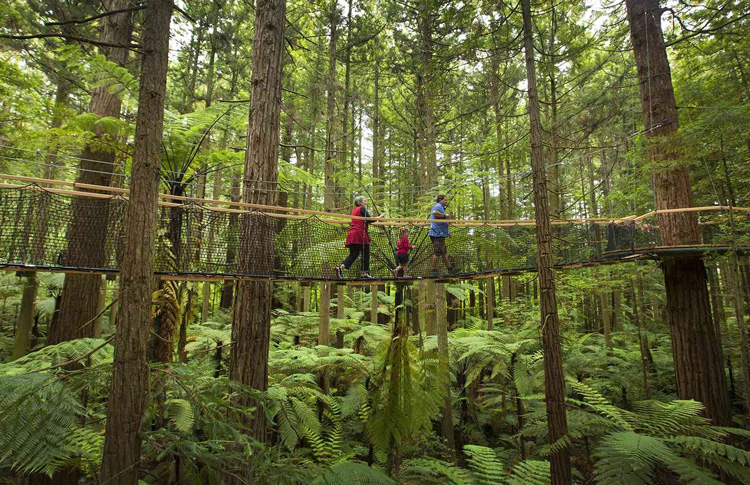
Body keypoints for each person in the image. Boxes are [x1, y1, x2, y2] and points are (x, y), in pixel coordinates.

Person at [337, 195, 385, 279]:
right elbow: (371, 220)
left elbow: (367, 220)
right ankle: (364, 273)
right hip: (360, 234)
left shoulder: (354, 210)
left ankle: (341, 268)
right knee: (365, 253)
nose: (365, 202)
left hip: (352, 234)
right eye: (364, 201)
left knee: (353, 254)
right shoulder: (362, 209)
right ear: (360, 202)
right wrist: (380, 216)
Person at [429, 194, 456, 276]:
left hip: (440, 233)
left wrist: (446, 232)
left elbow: (440, 222)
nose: (446, 201)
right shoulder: (438, 206)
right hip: (437, 234)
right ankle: (433, 271)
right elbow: (434, 213)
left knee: (443, 252)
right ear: (440, 200)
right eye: (445, 200)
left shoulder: (441, 207)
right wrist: (445, 215)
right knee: (437, 252)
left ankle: (450, 269)